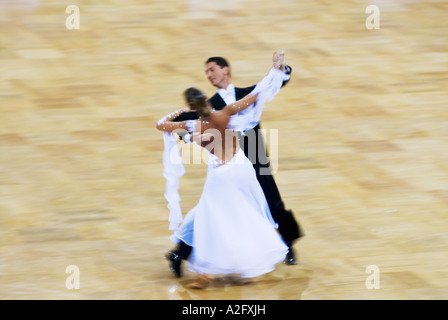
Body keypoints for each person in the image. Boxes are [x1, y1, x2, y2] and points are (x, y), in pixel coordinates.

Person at [166, 52, 303, 278]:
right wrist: (179, 124)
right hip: (229, 166)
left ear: (225, 70)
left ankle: (288, 247)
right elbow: (189, 123)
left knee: (273, 203)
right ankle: (179, 253)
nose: (209, 75)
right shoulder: (211, 105)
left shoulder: (246, 93)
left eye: (212, 69)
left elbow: (270, 85)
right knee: (211, 211)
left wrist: (281, 69)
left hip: (255, 157)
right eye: (207, 72)